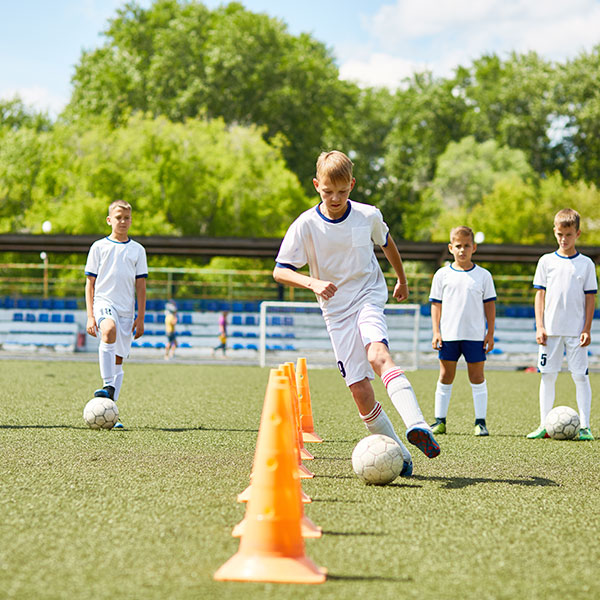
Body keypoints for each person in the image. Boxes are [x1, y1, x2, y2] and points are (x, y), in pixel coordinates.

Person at [273, 150, 440, 476]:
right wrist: (312, 282)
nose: (335, 198)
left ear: (352, 185)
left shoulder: (368, 215)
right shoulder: (305, 225)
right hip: (335, 313)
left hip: (368, 298)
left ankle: (418, 424)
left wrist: (401, 279)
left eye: (342, 191)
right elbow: (280, 270)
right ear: (316, 185)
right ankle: (402, 456)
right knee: (361, 392)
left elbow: (387, 242)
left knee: (379, 354)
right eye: (327, 191)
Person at [527, 208, 597, 441]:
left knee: (580, 376)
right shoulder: (546, 261)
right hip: (550, 332)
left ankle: (585, 426)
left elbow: (590, 297)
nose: (563, 239)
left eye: (568, 234)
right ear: (555, 233)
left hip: (576, 332)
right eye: (559, 234)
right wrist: (540, 326)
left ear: (577, 233)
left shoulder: (586, 264)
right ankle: (545, 425)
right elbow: (540, 295)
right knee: (547, 376)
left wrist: (586, 328)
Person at [85, 200, 147, 428]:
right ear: (109, 220)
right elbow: (89, 283)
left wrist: (140, 317)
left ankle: (111, 409)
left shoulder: (137, 250)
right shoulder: (99, 247)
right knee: (107, 330)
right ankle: (107, 385)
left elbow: (141, 286)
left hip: (126, 310)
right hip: (104, 303)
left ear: (131, 220)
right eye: (118, 217)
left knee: (118, 360)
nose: (123, 221)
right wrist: (91, 316)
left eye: (127, 218)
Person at [429, 226, 497, 437]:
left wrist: (490, 333)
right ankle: (440, 421)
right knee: (445, 376)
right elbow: (436, 305)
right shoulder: (442, 275)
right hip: (449, 335)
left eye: (467, 246)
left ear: (474, 247)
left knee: (477, 377)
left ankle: (480, 422)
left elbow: (490, 306)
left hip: (475, 336)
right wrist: (436, 332)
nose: (462, 250)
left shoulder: (483, 275)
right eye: (458, 246)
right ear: (451, 248)